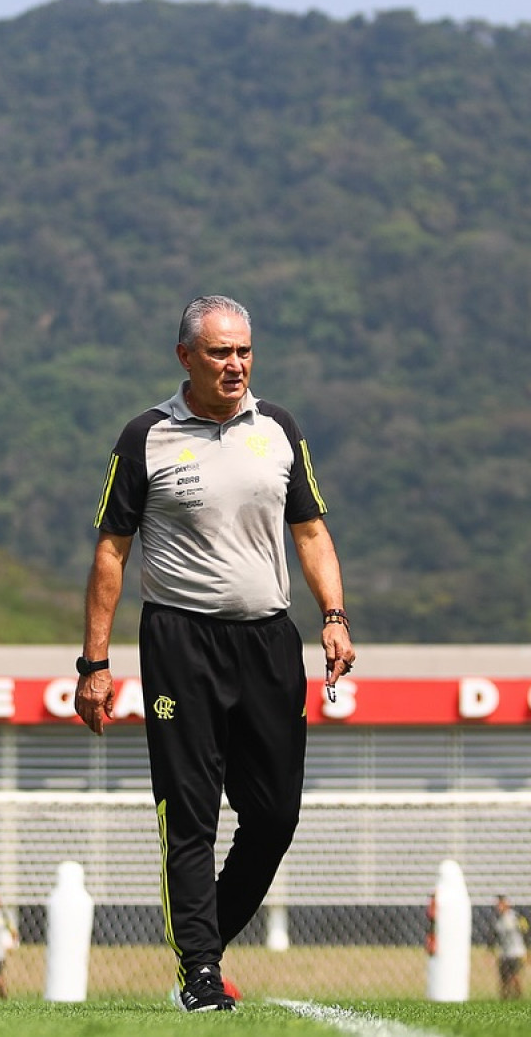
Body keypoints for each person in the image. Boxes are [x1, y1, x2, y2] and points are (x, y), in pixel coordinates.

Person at [75, 294, 356, 1013]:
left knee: (274, 819)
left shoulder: (280, 429)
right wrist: (94, 665)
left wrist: (332, 615)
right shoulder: (146, 436)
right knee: (190, 812)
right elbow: (111, 551)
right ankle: (201, 971)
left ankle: (206, 943)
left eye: (244, 352)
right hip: (181, 643)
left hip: (268, 640)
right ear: (185, 358)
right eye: (219, 353)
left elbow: (312, 532)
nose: (235, 365)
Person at [493, 895, 531, 1000]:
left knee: (515, 978)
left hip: (516, 953)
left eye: (501, 904)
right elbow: (493, 937)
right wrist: (490, 951)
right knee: (504, 981)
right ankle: (504, 1001)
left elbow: (526, 933)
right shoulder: (497, 920)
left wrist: (528, 952)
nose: (499, 907)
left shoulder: (516, 917)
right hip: (504, 954)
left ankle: (518, 998)